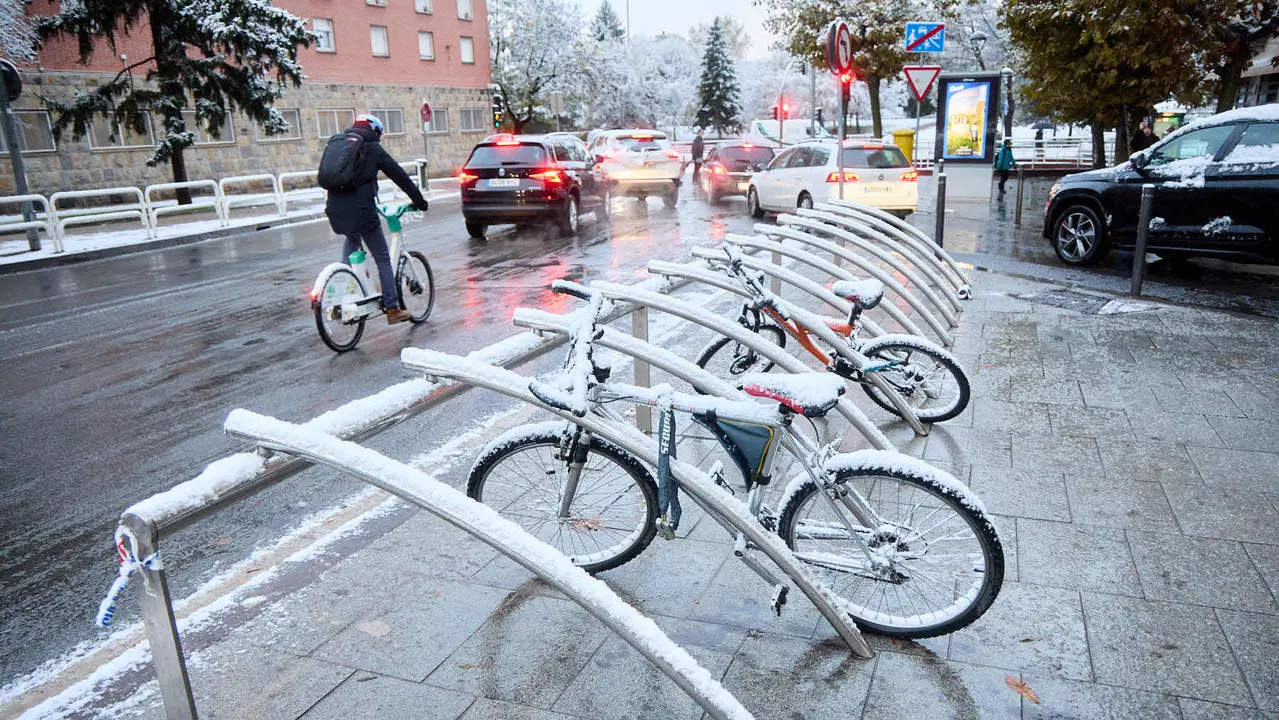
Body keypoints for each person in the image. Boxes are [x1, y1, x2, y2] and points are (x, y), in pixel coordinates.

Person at [325, 114, 430, 324]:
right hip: (362, 212)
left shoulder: (341, 145)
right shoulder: (372, 149)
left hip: (335, 210)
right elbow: (399, 175)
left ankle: (340, 296)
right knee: (383, 258)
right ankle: (392, 309)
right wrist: (420, 200)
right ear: (375, 131)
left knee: (351, 242)